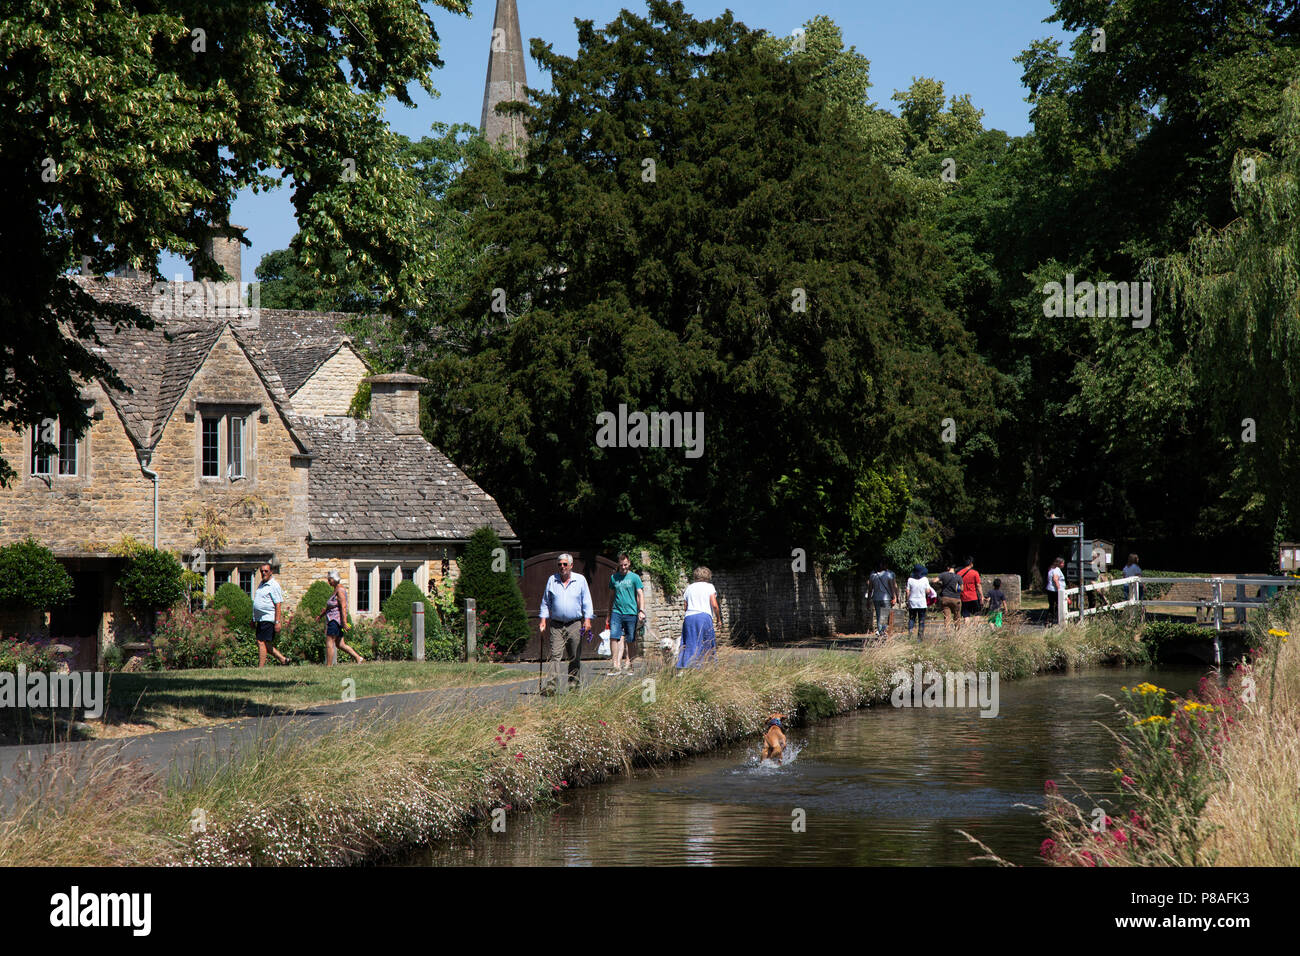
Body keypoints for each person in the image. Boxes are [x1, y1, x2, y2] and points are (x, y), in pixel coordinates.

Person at [539, 553, 593, 687]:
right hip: (556, 625)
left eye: (565, 564)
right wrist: (543, 620)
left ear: (571, 565)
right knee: (555, 655)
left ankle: (573, 683)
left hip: (574, 624)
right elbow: (546, 602)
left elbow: (587, 601)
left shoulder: (580, 580)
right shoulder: (552, 580)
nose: (562, 567)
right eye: (559, 564)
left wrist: (587, 620)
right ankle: (551, 685)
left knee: (574, 656)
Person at [605, 552, 645, 674]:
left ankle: (629, 663)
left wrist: (641, 610)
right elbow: (611, 596)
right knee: (614, 637)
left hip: (631, 612)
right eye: (621, 565)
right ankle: (615, 665)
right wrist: (609, 613)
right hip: (617, 612)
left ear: (629, 564)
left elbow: (640, 594)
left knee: (631, 639)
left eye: (626, 565)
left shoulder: (634, 577)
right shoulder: (614, 578)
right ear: (619, 564)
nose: (623, 567)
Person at [318, 569, 364, 665]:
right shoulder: (336, 590)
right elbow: (330, 607)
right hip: (336, 621)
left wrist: (344, 622)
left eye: (329, 579)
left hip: (335, 621)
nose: (328, 582)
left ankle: (329, 666)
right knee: (340, 644)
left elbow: (343, 606)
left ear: (334, 579)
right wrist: (321, 616)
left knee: (329, 642)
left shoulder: (340, 590)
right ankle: (358, 658)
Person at [677, 567, 720, 668]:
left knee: (690, 643)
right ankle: (708, 666)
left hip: (689, 617)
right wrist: (718, 619)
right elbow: (714, 605)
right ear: (708, 575)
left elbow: (685, 606)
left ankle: (687, 666)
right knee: (707, 642)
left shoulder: (689, 587)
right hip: (704, 617)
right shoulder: (709, 587)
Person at [252, 563, 289, 666]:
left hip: (268, 617)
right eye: (262, 571)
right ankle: (283, 659)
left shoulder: (274, 585)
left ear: (271, 572)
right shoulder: (261, 584)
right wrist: (253, 618)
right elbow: (258, 602)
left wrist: (277, 622)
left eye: (266, 571)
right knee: (266, 644)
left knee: (261, 642)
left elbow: (278, 604)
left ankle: (261, 667)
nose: (263, 573)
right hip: (260, 618)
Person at [867, 560, 898, 641]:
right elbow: (892, 587)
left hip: (876, 598)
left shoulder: (873, 575)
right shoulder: (888, 575)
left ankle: (880, 631)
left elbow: (870, 589)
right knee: (885, 615)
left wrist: (868, 600)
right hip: (886, 598)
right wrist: (894, 597)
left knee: (878, 615)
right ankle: (883, 631)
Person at [905, 565, 936, 641]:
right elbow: (928, 591)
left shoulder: (910, 580)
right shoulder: (924, 579)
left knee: (912, 618)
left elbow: (907, 592)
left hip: (912, 602)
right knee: (921, 620)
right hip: (921, 602)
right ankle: (920, 637)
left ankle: (910, 635)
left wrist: (907, 600)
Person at [937, 562, 963, 631]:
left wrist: (941, 585)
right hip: (956, 598)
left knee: (947, 617)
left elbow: (934, 581)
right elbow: (962, 589)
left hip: (945, 598)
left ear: (948, 568)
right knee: (957, 616)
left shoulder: (943, 574)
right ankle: (957, 631)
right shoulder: (958, 577)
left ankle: (947, 633)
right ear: (954, 569)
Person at [957, 556, 984, 620]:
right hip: (973, 596)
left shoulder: (959, 573)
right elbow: (978, 585)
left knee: (966, 615)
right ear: (971, 564)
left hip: (963, 597)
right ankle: (975, 629)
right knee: (977, 613)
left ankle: (967, 629)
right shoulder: (975, 573)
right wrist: (982, 596)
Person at [1046, 557, 1067, 626]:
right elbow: (1055, 579)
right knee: (1059, 605)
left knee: (1051, 605)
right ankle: (1059, 621)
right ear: (1059, 563)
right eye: (1062, 563)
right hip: (1055, 591)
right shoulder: (1057, 570)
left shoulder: (1051, 569)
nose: (1063, 564)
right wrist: (1059, 589)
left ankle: (1049, 621)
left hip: (1050, 589)